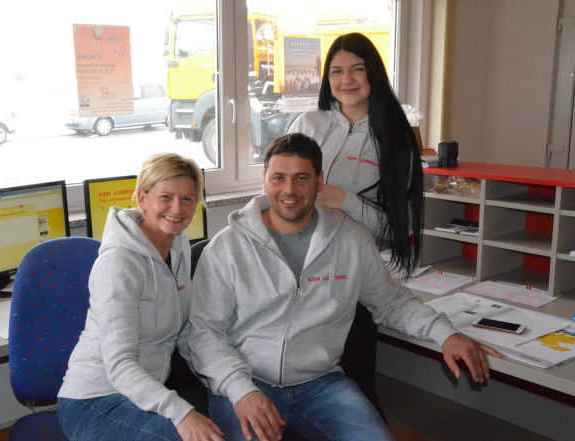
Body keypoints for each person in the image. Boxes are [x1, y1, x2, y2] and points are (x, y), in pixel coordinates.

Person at [189, 134, 500, 441]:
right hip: (247, 383)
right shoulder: (228, 247)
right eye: (278, 178)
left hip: (321, 384)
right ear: (264, 179)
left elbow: (392, 303)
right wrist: (241, 392)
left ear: (319, 181)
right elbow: (204, 333)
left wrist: (446, 334)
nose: (289, 190)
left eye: (301, 178)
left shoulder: (350, 240)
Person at [58, 153, 223, 441]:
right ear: (142, 197)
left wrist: (227, 380)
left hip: (143, 394)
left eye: (187, 199)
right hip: (93, 400)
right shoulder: (118, 264)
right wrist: (182, 413)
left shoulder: (179, 244)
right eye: (166, 197)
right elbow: (119, 364)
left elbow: (185, 334)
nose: (177, 208)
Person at [286, 32, 422, 274]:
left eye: (357, 69)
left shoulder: (396, 138)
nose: (346, 79)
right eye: (336, 71)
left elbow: (401, 227)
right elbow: (276, 193)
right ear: (327, 78)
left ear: (373, 73)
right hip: (297, 260)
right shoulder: (307, 124)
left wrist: (344, 201)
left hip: (357, 265)